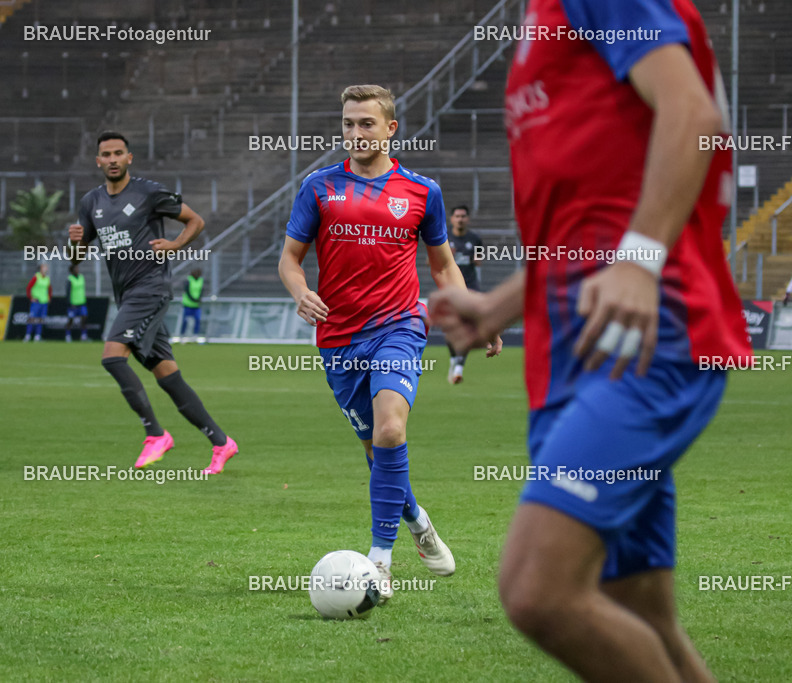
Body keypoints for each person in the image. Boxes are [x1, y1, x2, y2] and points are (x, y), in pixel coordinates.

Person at [429, 2, 750, 680]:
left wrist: (639, 259)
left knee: (537, 589)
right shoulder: (545, 20)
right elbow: (586, 225)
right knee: (639, 610)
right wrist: (497, 307)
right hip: (574, 353)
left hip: (645, 337)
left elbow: (691, 114)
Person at [279, 84, 502, 602]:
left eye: (366, 123)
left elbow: (443, 266)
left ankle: (379, 561)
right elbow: (290, 259)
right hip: (338, 338)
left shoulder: (422, 191)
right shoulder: (318, 187)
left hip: (399, 326)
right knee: (378, 451)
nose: (356, 133)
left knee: (391, 428)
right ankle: (418, 520)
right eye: (348, 123)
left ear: (390, 129)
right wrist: (301, 292)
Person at [68, 131, 238, 474]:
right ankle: (222, 442)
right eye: (106, 154)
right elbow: (76, 259)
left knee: (112, 357)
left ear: (129, 158)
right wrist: (74, 242)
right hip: (127, 296)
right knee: (167, 375)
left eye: (119, 153)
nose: (113, 159)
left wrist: (175, 245)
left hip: (151, 288)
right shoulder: (91, 202)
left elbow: (196, 220)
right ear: (98, 161)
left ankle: (156, 434)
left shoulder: (148, 192)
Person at [445, 205, 484, 384]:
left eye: (463, 216)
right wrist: (447, 256)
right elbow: (431, 262)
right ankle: (454, 359)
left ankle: (459, 367)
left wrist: (476, 258)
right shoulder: (444, 238)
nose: (460, 219)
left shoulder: (475, 239)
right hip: (451, 288)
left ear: (467, 219)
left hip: (470, 288)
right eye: (457, 216)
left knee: (466, 327)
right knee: (450, 329)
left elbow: (479, 262)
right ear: (452, 219)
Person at [24, 263, 51, 341]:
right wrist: (30, 297)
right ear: (41, 269)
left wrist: (49, 297)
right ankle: (28, 335)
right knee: (32, 318)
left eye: (46, 267)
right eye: (44, 267)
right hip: (36, 301)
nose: (46, 268)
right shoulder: (36, 277)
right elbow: (28, 287)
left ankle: (37, 336)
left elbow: (49, 289)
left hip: (44, 302)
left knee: (41, 319)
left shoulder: (47, 278)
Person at [65, 263, 88, 342]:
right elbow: (68, 292)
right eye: (76, 268)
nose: (77, 270)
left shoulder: (81, 277)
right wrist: (70, 303)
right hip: (73, 304)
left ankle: (84, 335)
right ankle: (68, 335)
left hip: (82, 302)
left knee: (84, 318)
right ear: (72, 270)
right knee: (70, 320)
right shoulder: (70, 279)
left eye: (78, 268)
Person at [180, 267, 204, 339]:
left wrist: (199, 299)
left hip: (196, 305)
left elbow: (201, 291)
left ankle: (195, 335)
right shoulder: (188, 280)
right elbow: (187, 291)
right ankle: (182, 334)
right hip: (188, 304)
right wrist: (193, 299)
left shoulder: (200, 280)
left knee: (197, 320)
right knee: (185, 320)